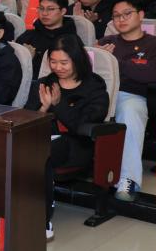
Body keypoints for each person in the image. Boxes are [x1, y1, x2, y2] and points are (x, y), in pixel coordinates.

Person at [25, 35, 109, 239]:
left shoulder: (94, 86)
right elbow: (26, 118)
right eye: (53, 62)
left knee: (39, 156)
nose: (58, 67)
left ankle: (42, 221)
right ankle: (15, 213)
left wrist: (58, 105)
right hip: (43, 139)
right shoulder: (45, 83)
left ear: (77, 59)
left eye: (64, 62)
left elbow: (82, 125)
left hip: (76, 145)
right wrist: (44, 107)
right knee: (18, 152)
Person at [97, 0, 156, 200]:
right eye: (116, 16)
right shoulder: (106, 42)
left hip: (132, 95)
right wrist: (98, 56)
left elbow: (155, 73)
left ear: (140, 15)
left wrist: (114, 61)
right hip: (102, 93)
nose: (121, 19)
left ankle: (128, 179)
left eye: (127, 14)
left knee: (130, 112)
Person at [16, 0, 75, 75]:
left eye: (50, 9)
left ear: (63, 11)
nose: (44, 13)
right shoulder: (28, 35)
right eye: (41, 8)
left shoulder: (71, 40)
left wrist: (30, 58)